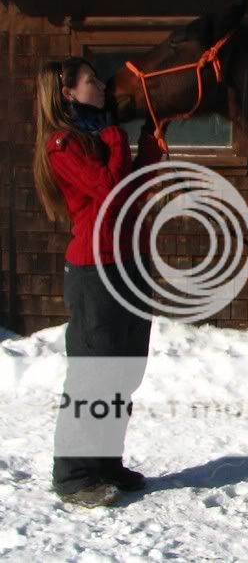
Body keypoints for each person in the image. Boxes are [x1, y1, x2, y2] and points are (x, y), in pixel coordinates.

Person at [33, 56, 164, 507]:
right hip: (96, 270)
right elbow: (108, 191)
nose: (102, 86)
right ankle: (73, 475)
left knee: (125, 370)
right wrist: (115, 137)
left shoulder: (105, 138)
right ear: (68, 91)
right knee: (93, 374)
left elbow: (134, 183)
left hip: (131, 262)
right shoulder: (63, 144)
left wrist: (151, 138)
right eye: (91, 80)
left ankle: (106, 461)